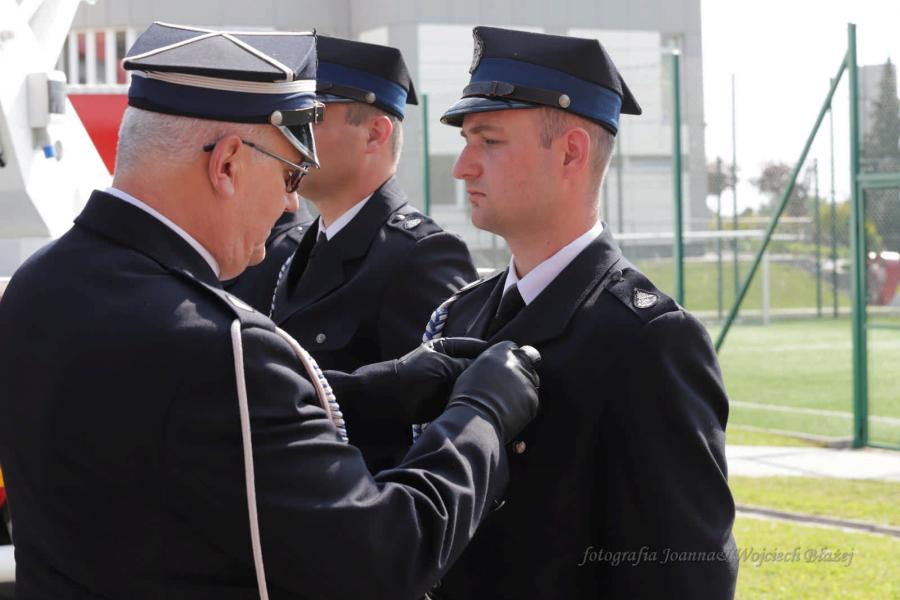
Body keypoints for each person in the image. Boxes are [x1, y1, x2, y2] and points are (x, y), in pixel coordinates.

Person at [0, 23, 541, 599]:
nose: (290, 202)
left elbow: (179, 423)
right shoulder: (217, 345)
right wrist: (480, 413)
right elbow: (385, 557)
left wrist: (386, 390)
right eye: (289, 173)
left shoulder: (37, 285)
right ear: (228, 164)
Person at [425, 27, 738, 599]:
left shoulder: (650, 341)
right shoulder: (461, 314)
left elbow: (683, 576)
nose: (462, 167)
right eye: (467, 141)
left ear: (571, 152)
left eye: (488, 141)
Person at [230, 35, 478, 471]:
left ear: (375, 134)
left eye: (310, 116)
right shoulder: (294, 250)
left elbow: (440, 423)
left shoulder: (421, 256)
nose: (291, 133)